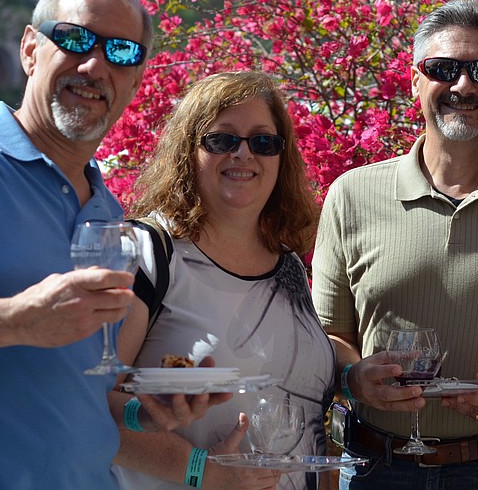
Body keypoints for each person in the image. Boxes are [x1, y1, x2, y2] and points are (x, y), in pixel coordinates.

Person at [0, 0, 219, 490]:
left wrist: (146, 412)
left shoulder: (108, 214)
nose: (94, 66)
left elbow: (80, 393)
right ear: (29, 49)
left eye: (122, 52)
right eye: (76, 38)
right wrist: (12, 320)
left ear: (135, 81)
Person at [311, 0, 478, 489]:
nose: (463, 85)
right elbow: (328, 334)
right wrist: (355, 379)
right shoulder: (352, 195)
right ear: (415, 81)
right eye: (443, 68)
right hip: (377, 469)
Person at [111, 71, 336, 490]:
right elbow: (87, 405)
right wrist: (202, 470)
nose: (243, 154)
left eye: (263, 142)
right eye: (221, 140)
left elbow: (306, 415)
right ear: (187, 151)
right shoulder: (147, 253)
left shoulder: (288, 265)